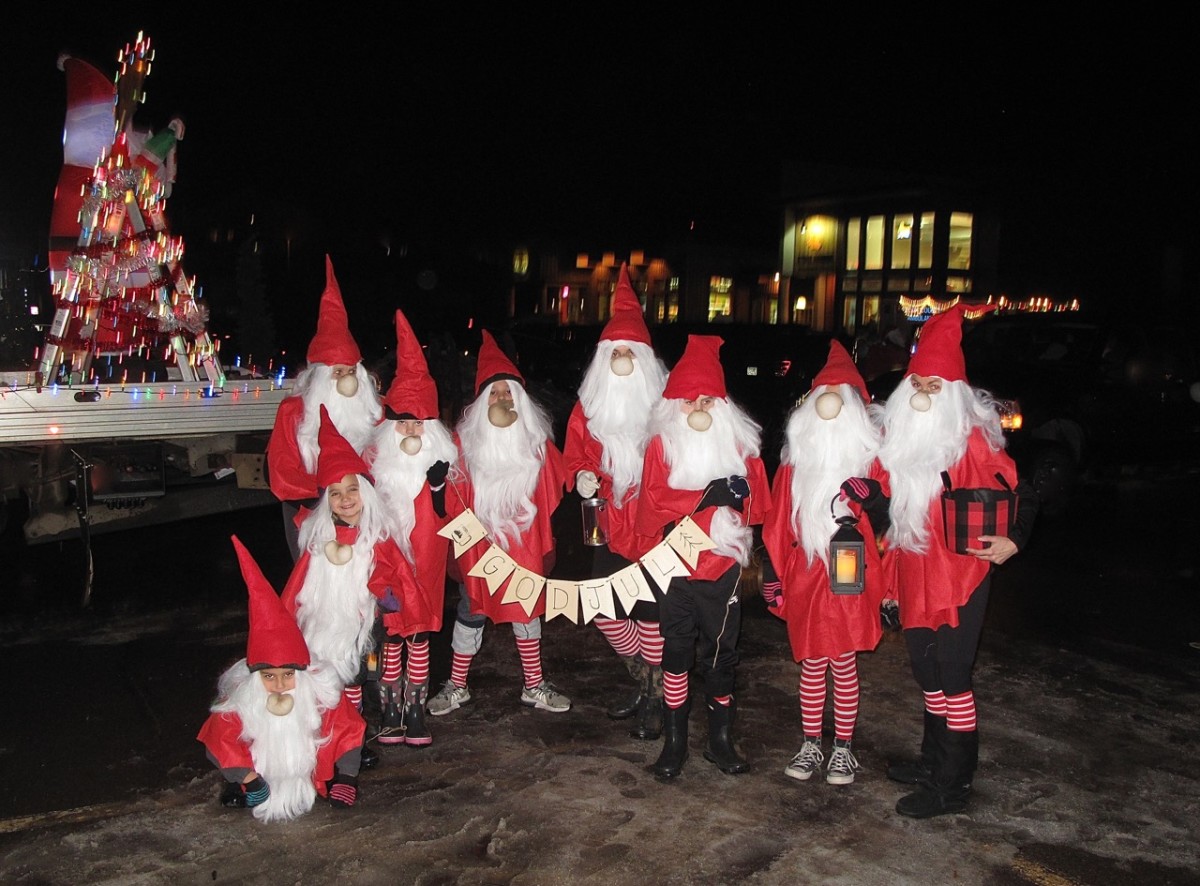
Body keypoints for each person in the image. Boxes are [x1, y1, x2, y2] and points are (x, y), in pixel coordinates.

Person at [864, 303, 1037, 818]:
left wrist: (1015, 539)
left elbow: (1023, 491)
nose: (923, 395)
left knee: (953, 674)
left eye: (935, 386)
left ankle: (952, 785)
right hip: (914, 570)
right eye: (917, 384)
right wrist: (868, 501)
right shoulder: (898, 443)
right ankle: (932, 761)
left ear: (955, 393)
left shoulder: (973, 441)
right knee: (926, 669)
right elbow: (886, 505)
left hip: (960, 573)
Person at [634, 335, 771, 778]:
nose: (699, 410)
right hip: (674, 564)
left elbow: (760, 505)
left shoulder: (740, 447)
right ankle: (675, 743)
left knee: (720, 654)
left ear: (722, 405)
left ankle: (719, 740)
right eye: (690, 401)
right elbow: (652, 501)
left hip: (722, 565)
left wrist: (740, 496)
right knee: (675, 652)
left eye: (708, 401)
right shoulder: (662, 445)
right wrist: (702, 496)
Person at [761, 340, 889, 786]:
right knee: (813, 661)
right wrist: (772, 575)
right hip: (807, 572)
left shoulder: (872, 461)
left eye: (838, 397)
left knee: (844, 662)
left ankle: (843, 749)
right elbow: (777, 522)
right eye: (823, 396)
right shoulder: (794, 464)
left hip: (853, 573)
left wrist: (876, 500)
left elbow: (894, 523)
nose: (829, 406)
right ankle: (812, 742)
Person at [432, 330, 571, 715]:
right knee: (471, 610)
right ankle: (457, 684)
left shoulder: (537, 444)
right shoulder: (463, 445)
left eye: (508, 392)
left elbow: (559, 483)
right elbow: (447, 501)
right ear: (482, 403)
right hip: (479, 548)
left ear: (520, 400)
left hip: (524, 546)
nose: (502, 399)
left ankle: (534, 684)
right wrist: (437, 483)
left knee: (527, 611)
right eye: (494, 394)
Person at [563, 263, 669, 740]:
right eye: (615, 352)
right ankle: (645, 678)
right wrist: (581, 475)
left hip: (654, 527)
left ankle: (656, 697)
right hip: (605, 524)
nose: (622, 361)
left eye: (630, 352)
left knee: (649, 613)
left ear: (644, 360)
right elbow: (575, 453)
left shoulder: (666, 406)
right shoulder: (588, 407)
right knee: (604, 609)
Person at [280, 405, 419, 767]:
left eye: (352, 490)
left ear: (365, 493)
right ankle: (324, 737)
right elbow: (296, 589)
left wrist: (389, 599)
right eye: (336, 493)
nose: (345, 500)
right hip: (322, 626)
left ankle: (353, 739)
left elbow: (396, 576)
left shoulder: (377, 536)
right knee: (325, 681)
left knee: (357, 678)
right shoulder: (317, 541)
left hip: (362, 624)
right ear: (326, 501)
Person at [197, 536, 366, 821]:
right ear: (255, 677)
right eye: (268, 676)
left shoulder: (321, 699)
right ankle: (238, 784)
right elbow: (219, 741)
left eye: (288, 675)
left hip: (307, 781)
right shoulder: (240, 703)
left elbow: (350, 731)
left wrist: (347, 778)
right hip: (255, 781)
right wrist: (248, 778)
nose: (278, 686)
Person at [364, 310, 460, 747]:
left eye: (417, 423)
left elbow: (453, 517)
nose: (409, 431)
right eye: (402, 422)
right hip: (386, 568)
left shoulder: (444, 465)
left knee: (419, 634)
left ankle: (415, 711)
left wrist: (438, 488)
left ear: (431, 427)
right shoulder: (373, 465)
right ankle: (390, 710)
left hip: (426, 567)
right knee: (390, 633)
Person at [265, 255, 383, 561]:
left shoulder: (372, 410)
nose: (347, 380)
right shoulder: (293, 411)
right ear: (319, 376)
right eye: (338, 372)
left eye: (351, 371)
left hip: (361, 516)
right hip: (307, 514)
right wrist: (328, 492)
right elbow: (281, 475)